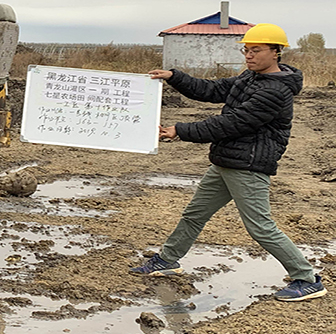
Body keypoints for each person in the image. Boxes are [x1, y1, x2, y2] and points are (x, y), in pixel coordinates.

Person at [130, 23, 327, 302]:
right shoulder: (250, 78)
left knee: (260, 226)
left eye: (256, 50)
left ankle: (307, 279)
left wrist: (180, 130)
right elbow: (211, 90)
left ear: (276, 52)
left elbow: (231, 123)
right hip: (226, 161)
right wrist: (174, 76)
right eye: (246, 50)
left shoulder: (275, 91)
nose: (249, 55)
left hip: (248, 165)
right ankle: (167, 260)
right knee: (195, 213)